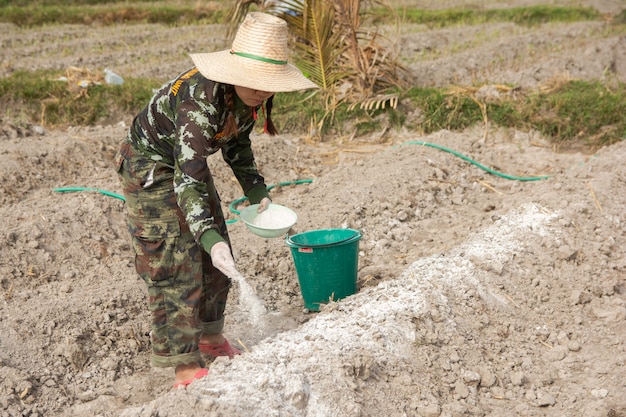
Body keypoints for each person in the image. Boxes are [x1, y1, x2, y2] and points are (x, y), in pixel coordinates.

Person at [114, 12, 318, 389]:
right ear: (234, 71)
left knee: (217, 251)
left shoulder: (246, 99)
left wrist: (257, 192)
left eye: (267, 84)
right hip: (151, 165)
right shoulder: (198, 106)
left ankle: (209, 335)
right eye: (253, 82)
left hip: (185, 162)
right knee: (176, 259)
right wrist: (205, 236)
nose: (260, 91)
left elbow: (237, 142)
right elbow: (187, 180)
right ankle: (184, 365)